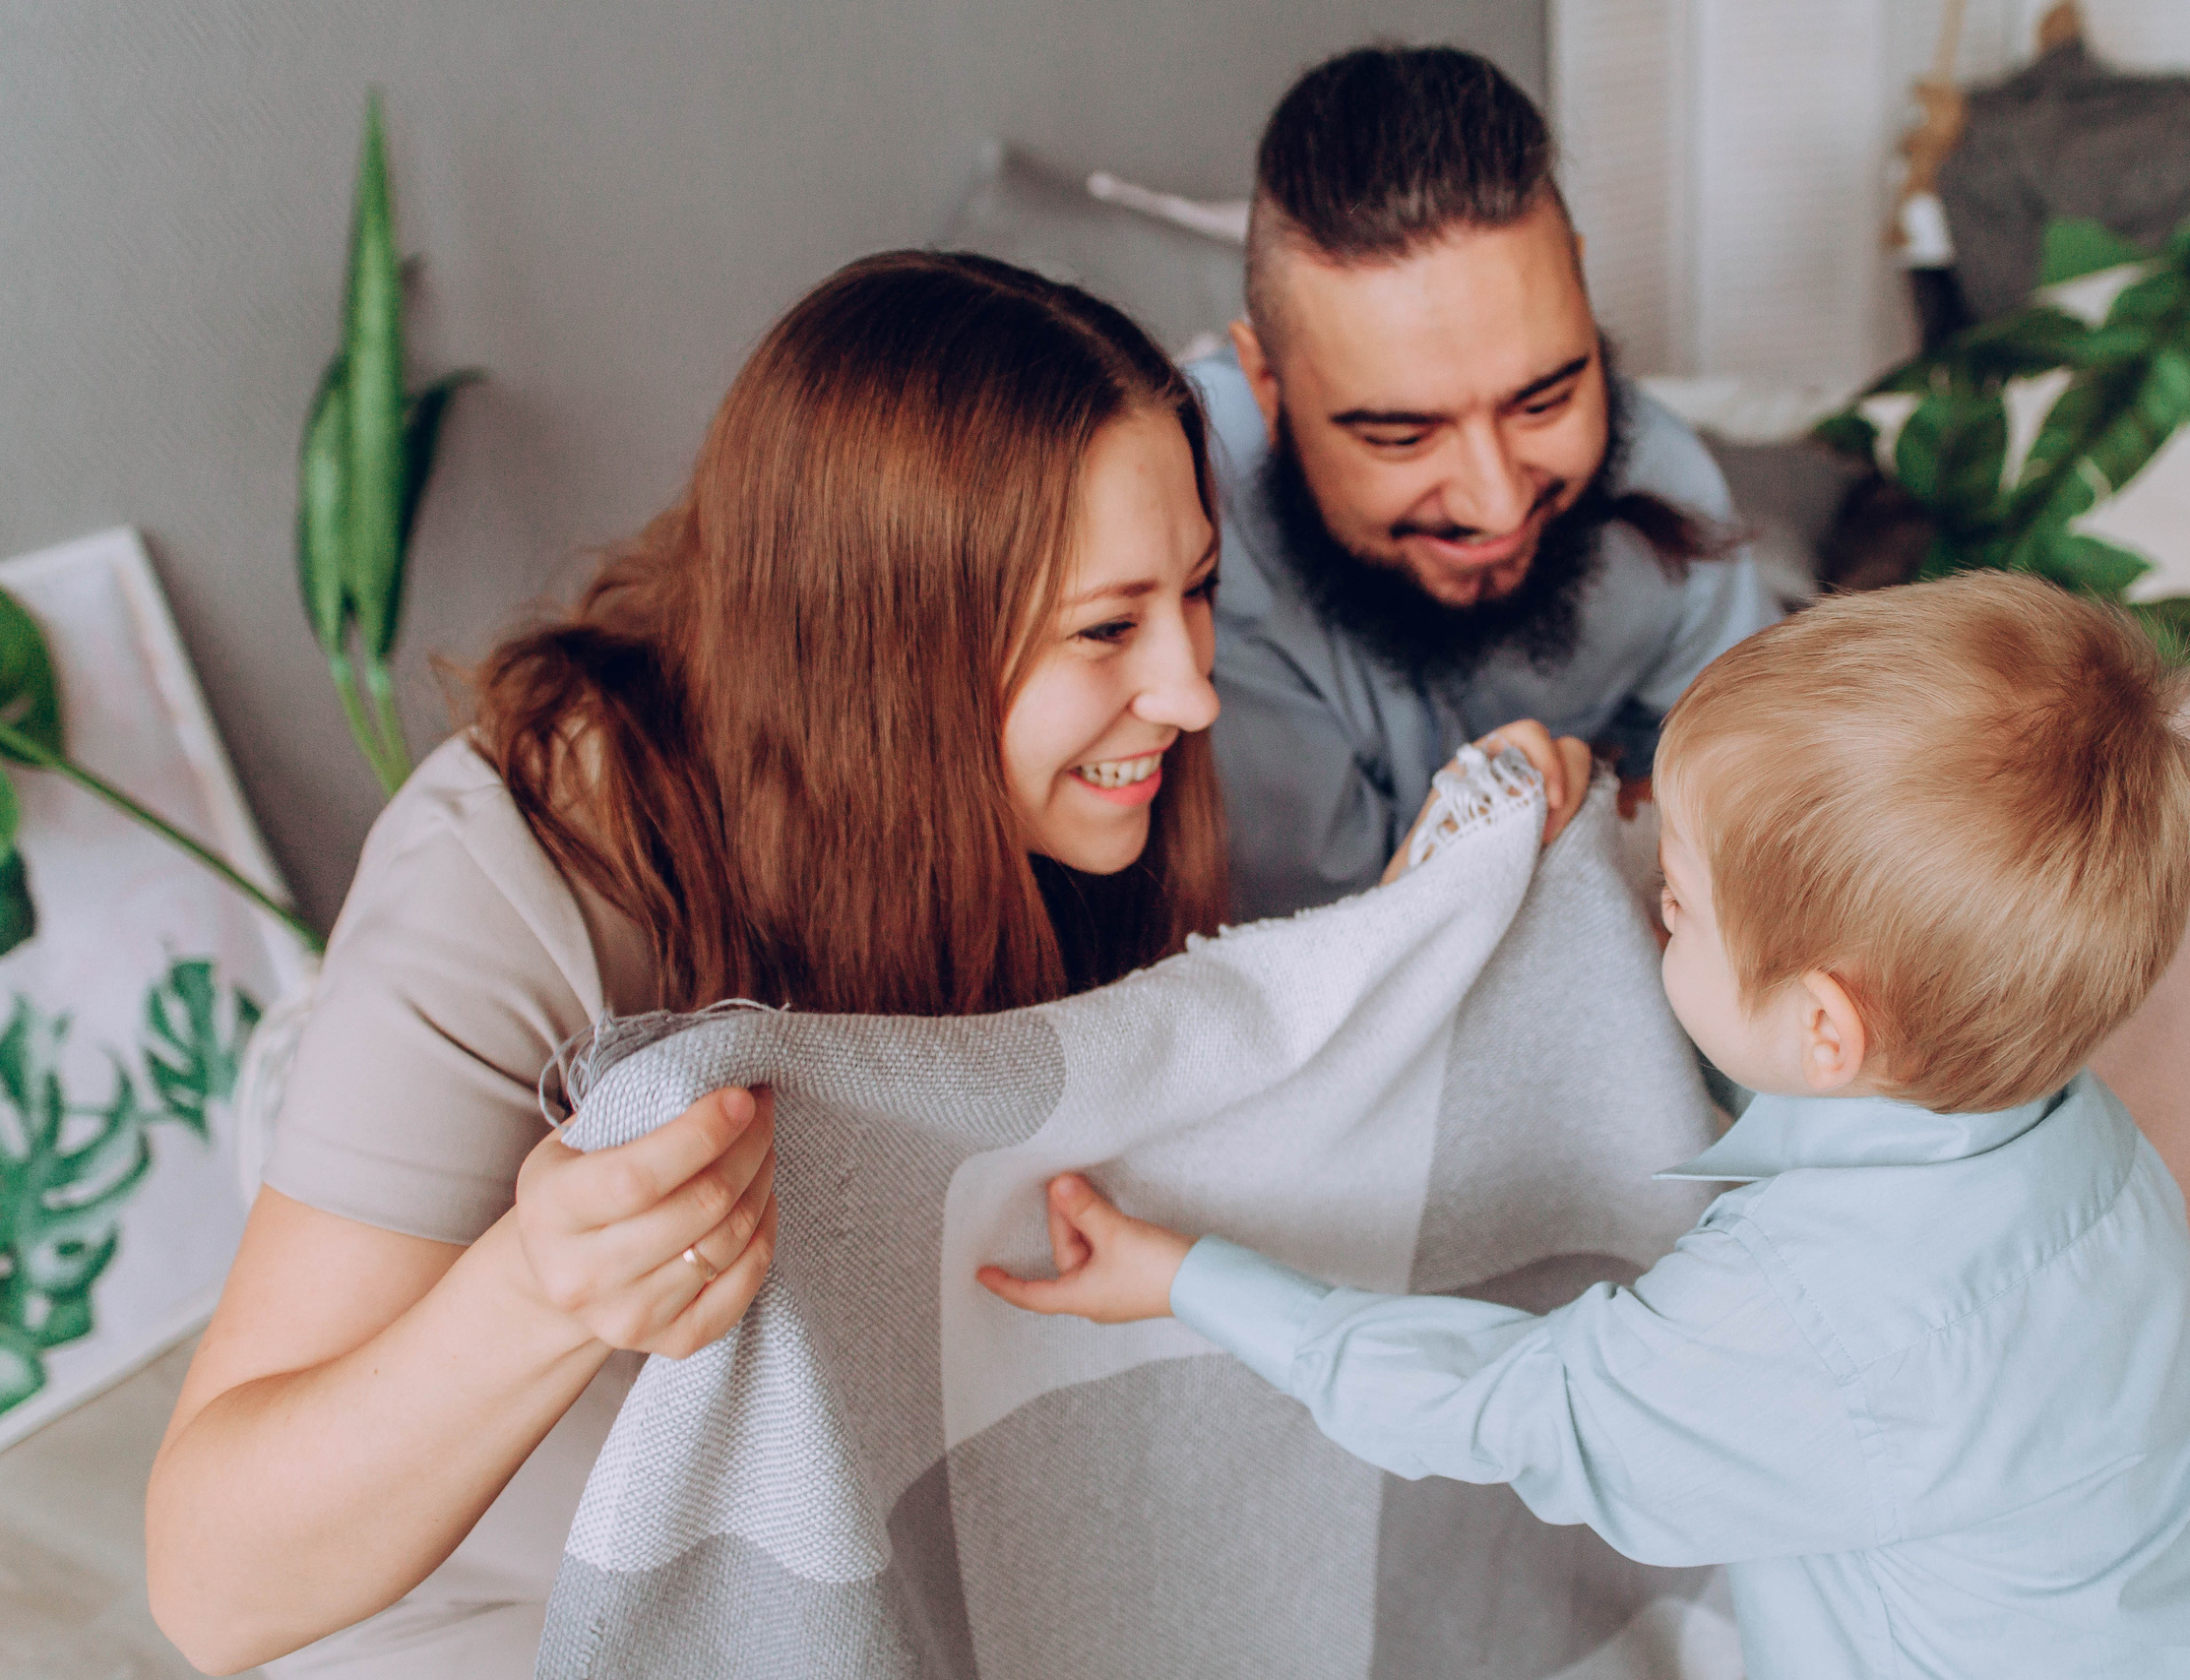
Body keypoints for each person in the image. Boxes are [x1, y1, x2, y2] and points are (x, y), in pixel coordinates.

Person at [146, 249, 1365, 1678]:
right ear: (886, 648)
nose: (1190, 687)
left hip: (878, 1521)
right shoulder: (516, 866)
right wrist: (541, 1289)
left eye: (1198, 591)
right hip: (516, 1587)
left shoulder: (1114, 786)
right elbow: (209, 1581)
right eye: (1106, 628)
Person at [980, 574, 2190, 1678]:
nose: (1648, 904)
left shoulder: (1809, 1311)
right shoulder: (2078, 1138)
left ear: (1825, 1030)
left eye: (1672, 899)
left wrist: (1195, 1276)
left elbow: (1511, 1405)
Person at [1197, 44, 1779, 918]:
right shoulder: (1180, 554)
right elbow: (1315, 971)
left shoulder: (1664, 476)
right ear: (1266, 386)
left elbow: (1771, 795)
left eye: (1544, 402)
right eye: (1402, 435)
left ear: (1580, 289)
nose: (1497, 502)